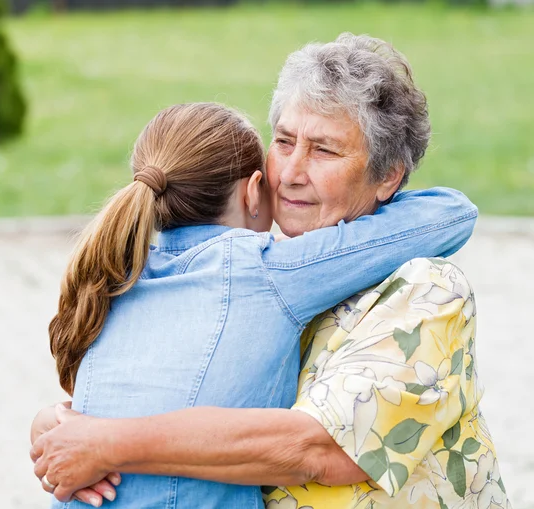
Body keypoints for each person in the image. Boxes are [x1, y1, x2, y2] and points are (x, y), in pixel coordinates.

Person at [31, 34, 508, 509]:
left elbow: (321, 449)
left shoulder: (424, 290)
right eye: (282, 142)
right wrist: (58, 427)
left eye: (324, 150)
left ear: (388, 177)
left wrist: (105, 443)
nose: (292, 173)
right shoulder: (260, 263)